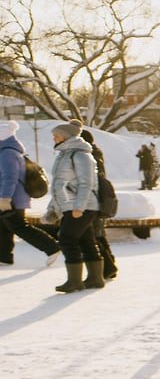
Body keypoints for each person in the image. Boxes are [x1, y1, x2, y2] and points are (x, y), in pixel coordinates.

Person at [47, 120, 103, 293]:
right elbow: (59, 184)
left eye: (56, 136)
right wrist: (53, 208)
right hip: (70, 205)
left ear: (66, 136)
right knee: (86, 240)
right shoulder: (64, 154)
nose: (54, 139)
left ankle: (74, 281)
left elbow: (87, 183)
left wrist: (79, 206)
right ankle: (95, 279)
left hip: (81, 206)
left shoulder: (80, 155)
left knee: (66, 239)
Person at [0, 120, 61, 267]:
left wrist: (5, 198)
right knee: (3, 226)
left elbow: (10, 177)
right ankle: (4, 257)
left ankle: (52, 247)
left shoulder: (7, 153)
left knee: (19, 226)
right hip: (13, 197)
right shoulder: (9, 151)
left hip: (12, 199)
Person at [80, 129, 117, 281]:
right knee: (98, 234)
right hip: (97, 199)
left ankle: (108, 267)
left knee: (93, 235)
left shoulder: (90, 156)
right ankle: (109, 266)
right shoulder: (95, 153)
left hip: (94, 199)